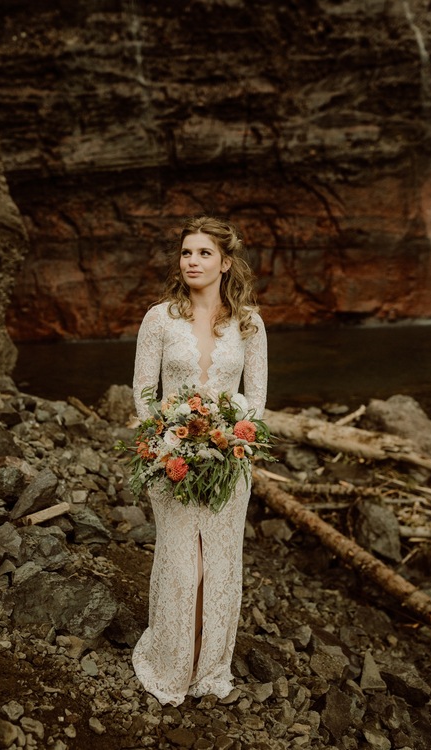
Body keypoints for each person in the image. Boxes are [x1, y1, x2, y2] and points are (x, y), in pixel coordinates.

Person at [131, 215, 268, 706]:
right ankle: (172, 664)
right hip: (173, 459)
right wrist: (172, 436)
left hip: (230, 462)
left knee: (220, 565)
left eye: (204, 253)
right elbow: (144, 393)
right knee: (183, 563)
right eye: (187, 253)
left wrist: (227, 434)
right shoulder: (159, 318)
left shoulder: (249, 323)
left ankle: (209, 667)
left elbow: (257, 399)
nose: (192, 261)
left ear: (225, 263)